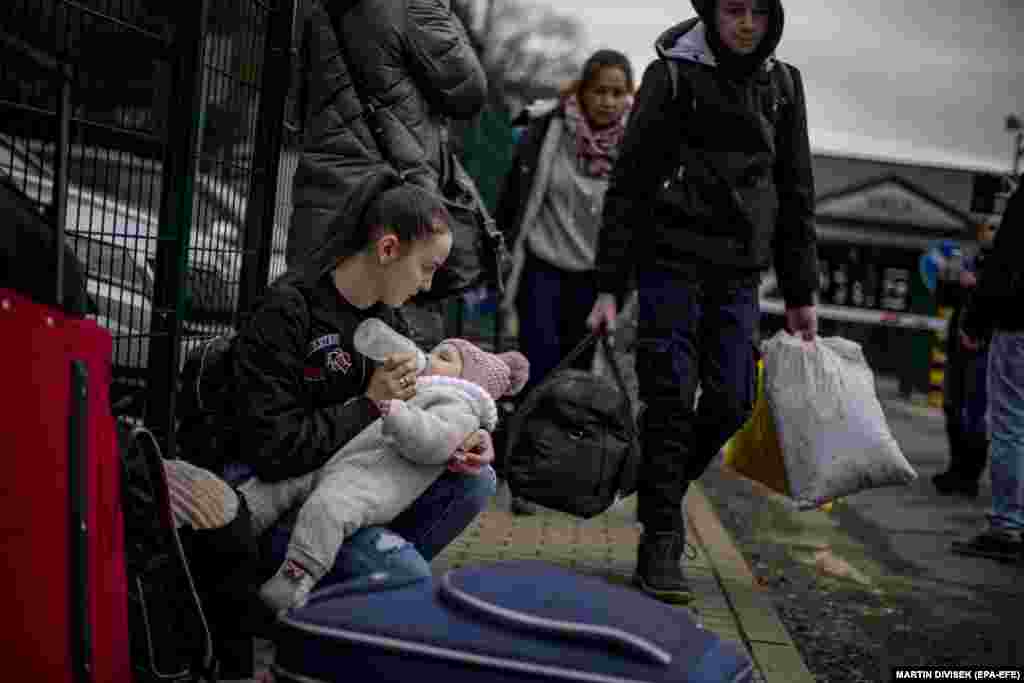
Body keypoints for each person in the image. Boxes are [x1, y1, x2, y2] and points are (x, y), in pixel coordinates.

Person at [216, 178, 498, 676]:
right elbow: (272, 449)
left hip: (348, 486)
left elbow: (418, 414)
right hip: (277, 493)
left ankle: (341, 592)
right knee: (405, 576)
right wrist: (370, 405)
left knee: (475, 481)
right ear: (388, 248)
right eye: (426, 268)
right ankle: (310, 595)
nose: (428, 286)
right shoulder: (288, 311)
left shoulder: (387, 317)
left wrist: (460, 437)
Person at [587, 0, 819, 603]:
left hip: (740, 275)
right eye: (733, 11)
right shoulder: (672, 76)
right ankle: (660, 536)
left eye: (758, 13)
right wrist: (611, 285)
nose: (746, 24)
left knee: (733, 398)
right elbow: (630, 185)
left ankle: (653, 481)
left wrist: (801, 293)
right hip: (669, 264)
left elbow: (796, 193)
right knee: (668, 396)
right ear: (712, 14)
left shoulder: (783, 86)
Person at [241, 334, 528, 611]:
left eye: (443, 357)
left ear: (466, 379)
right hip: (337, 460)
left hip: (365, 485)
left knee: (326, 510)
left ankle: (294, 580)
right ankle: (236, 521)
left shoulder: (457, 407)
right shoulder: (423, 387)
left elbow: (435, 440)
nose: (428, 357)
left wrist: (399, 415)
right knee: (279, 484)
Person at [285, 0, 490, 350]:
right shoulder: (414, 6)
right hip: (394, 198)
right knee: (398, 349)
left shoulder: (319, 8)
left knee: (314, 338)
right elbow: (468, 91)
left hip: (325, 189)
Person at [497, 49, 634, 397]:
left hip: (595, 279)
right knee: (538, 366)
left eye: (617, 93)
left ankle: (563, 447)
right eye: (599, 90)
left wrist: (620, 285)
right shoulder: (547, 129)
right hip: (542, 267)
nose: (607, 101)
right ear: (582, 91)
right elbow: (514, 195)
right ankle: (526, 442)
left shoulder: (637, 144)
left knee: (578, 376)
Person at [954, 176, 1023, 562]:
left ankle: (1007, 526)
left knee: (1011, 422)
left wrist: (976, 320)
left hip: (1019, 326)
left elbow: (1007, 259)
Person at [932, 222, 996, 499]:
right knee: (952, 406)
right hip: (959, 344)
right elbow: (946, 298)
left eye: (993, 227)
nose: (987, 233)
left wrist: (977, 285)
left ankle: (970, 475)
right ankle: (955, 468)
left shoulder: (1004, 266)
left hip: (984, 345)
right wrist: (947, 277)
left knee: (975, 411)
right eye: (985, 228)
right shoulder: (968, 261)